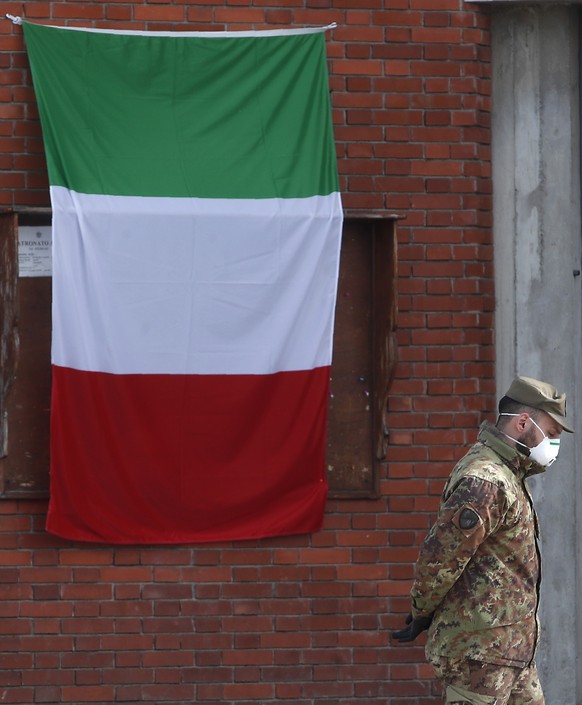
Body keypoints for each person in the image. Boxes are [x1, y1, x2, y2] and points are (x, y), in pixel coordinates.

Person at [392, 375, 573, 705]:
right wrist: (422, 609)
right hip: (479, 655)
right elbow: (442, 557)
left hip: (513, 651)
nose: (553, 444)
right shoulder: (486, 479)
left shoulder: (510, 473)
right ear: (522, 422)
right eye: (550, 434)